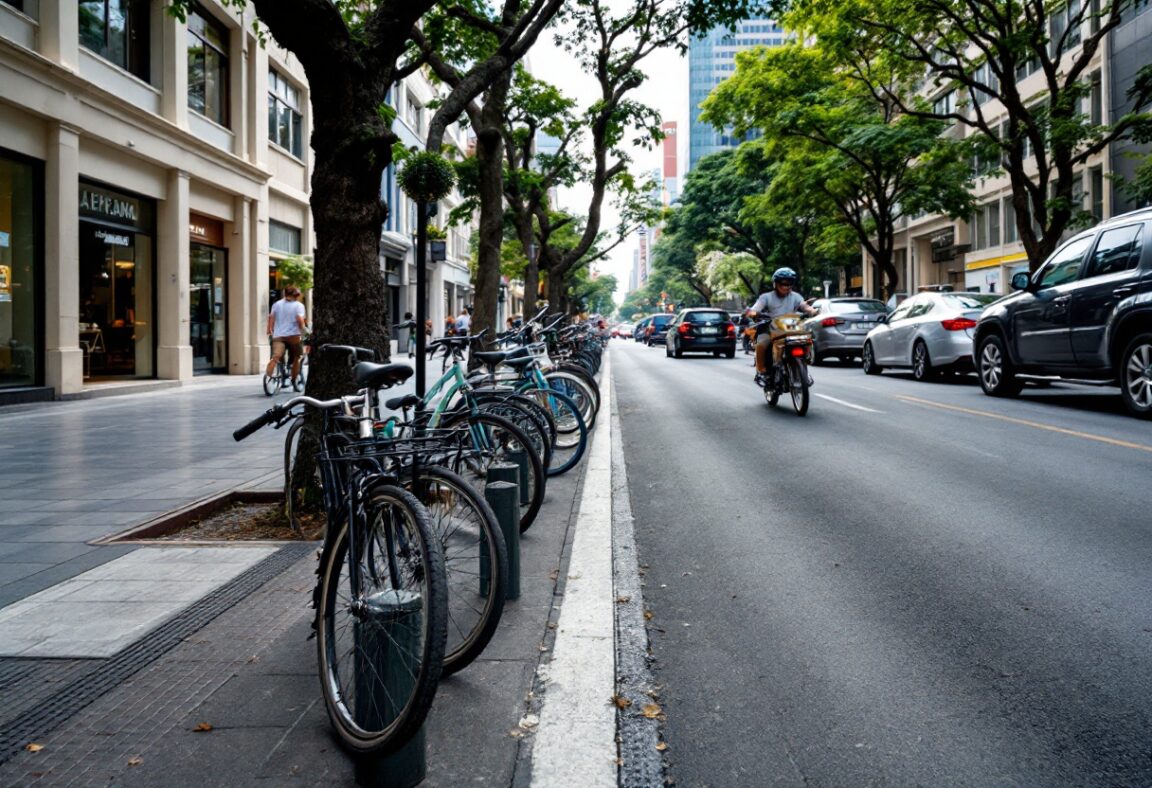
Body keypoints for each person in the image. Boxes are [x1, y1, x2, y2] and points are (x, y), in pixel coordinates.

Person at [747, 267, 817, 388]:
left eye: (789, 283)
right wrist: (754, 313)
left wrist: (812, 311)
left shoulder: (795, 296)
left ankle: (804, 370)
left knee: (806, 339)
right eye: (783, 283)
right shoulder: (766, 297)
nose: (786, 286)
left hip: (792, 327)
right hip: (771, 328)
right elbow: (755, 309)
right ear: (775, 283)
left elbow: (804, 306)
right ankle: (762, 372)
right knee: (761, 344)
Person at [266, 286, 307, 382]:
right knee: (297, 356)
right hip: (294, 336)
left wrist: (270, 330)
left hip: (278, 335)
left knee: (277, 355)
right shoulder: (299, 306)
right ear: (296, 295)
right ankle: (293, 378)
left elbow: (271, 317)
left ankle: (276, 367)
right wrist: (305, 331)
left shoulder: (277, 304)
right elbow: (300, 320)